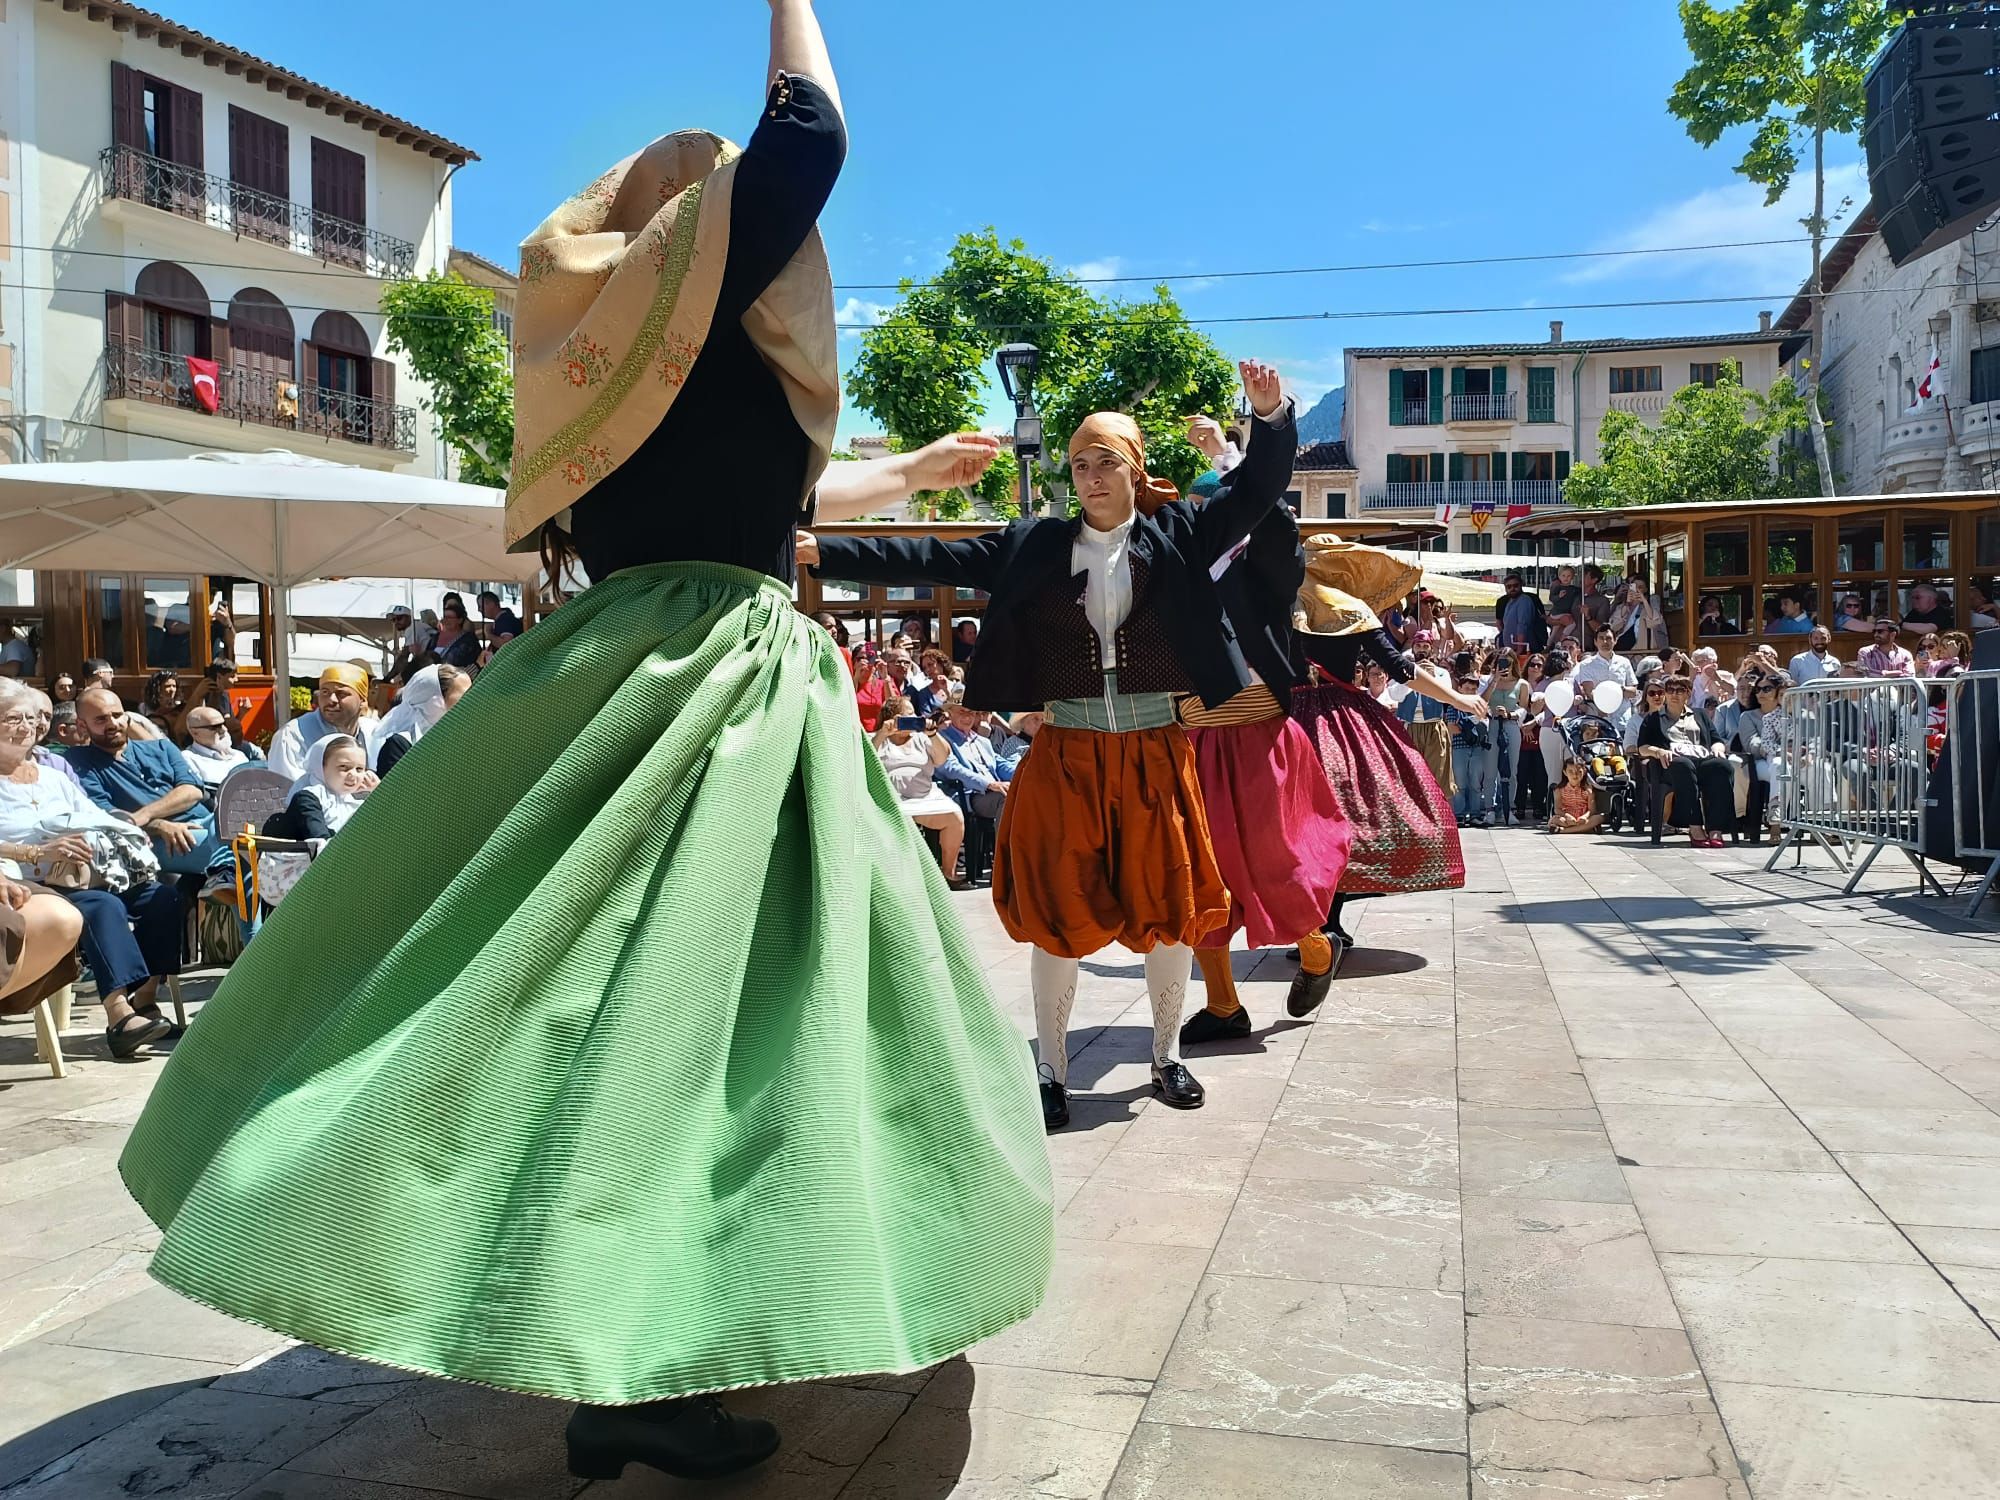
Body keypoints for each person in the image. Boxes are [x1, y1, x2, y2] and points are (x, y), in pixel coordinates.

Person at [121, 8, 1050, 1486]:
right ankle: (654, 1348)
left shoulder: (598, 382)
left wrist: (913, 473)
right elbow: (811, 137)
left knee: (572, 1011)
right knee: (718, 1025)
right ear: (694, 252)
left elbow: (759, 502)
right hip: (719, 691)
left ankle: (608, 1326)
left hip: (601, 669)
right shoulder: (700, 321)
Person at [806, 362, 1299, 1131]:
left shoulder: (1183, 533)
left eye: (1107, 460)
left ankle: (1167, 1057)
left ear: (1136, 470)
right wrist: (821, 552)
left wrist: (1269, 419)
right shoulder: (1035, 543)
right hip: (1066, 754)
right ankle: (1050, 1072)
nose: (1092, 475)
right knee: (1056, 914)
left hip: (1154, 750)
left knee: (1169, 911)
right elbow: (928, 556)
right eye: (1079, 463)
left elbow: (1258, 491)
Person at [1170, 423, 1351, 1038]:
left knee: (1273, 863)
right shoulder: (1174, 573)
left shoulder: (1263, 569)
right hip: (1192, 739)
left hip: (1257, 736)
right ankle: (1223, 1005)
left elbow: (1271, 516)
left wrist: (1227, 456)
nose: (1201, 519)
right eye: (1196, 510)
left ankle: (1316, 949)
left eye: (1211, 507)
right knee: (1199, 875)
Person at [1284, 540, 1488, 955]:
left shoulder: (1280, 606)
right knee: (1352, 819)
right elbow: (1402, 668)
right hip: (1344, 723)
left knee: (1299, 824)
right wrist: (1458, 698)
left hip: (1290, 724)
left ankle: (1318, 926)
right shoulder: (1352, 611)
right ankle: (1327, 924)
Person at [0, 682, 177, 1055]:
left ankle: (145, 998)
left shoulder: (53, 777)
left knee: (162, 897)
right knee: (102, 906)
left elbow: (93, 814)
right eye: (14, 719)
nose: (27, 727)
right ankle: (119, 1016)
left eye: (31, 719)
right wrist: (36, 850)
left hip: (86, 870)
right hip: (34, 882)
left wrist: (125, 831)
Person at [67, 687, 234, 880]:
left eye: (117, 715)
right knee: (239, 853)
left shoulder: (161, 747)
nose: (113, 723)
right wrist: (158, 825)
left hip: (206, 823)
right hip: (158, 838)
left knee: (239, 829)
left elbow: (192, 791)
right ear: (81, 726)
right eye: (101, 719)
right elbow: (106, 816)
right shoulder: (79, 762)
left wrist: (145, 815)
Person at [1636, 676, 1736, 847]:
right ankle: (1695, 826)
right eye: (1670, 690)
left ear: (1688, 694)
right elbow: (1642, 747)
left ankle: (1715, 829)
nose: (1674, 694)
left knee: (1722, 766)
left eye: (1680, 690)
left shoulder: (1700, 715)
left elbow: (1716, 739)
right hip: (1671, 764)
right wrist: (1658, 751)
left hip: (1701, 759)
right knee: (1683, 765)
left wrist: (1718, 748)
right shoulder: (1653, 719)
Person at [267, 665, 379, 780]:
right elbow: (289, 790)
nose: (331, 700)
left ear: (363, 701)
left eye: (341, 694)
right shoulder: (293, 736)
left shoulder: (374, 733)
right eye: (325, 692)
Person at [267, 734, 375, 842]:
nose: (353, 775)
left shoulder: (356, 801)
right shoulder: (307, 799)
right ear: (320, 766)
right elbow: (320, 843)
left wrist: (378, 791)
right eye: (344, 767)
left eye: (359, 769)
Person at [370, 665, 469, 776]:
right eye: (465, 696)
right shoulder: (399, 746)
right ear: (435, 701)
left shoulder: (463, 742)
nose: (470, 702)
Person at [1731, 672, 1789, 841]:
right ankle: (1775, 825)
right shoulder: (1748, 716)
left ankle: (1777, 821)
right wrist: (1779, 749)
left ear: (1779, 692)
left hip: (1788, 762)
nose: (1760, 693)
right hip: (1759, 763)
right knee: (1779, 768)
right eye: (1758, 690)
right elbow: (1752, 744)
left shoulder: (1790, 714)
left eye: (1766, 689)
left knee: (1782, 768)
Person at [1575, 626, 1640, 722]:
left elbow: (1633, 691)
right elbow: (1589, 691)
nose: (1605, 642)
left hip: (1622, 719)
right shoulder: (1586, 665)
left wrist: (1620, 689)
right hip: (1598, 719)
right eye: (1601, 638)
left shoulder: (1624, 662)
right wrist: (1604, 705)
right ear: (1595, 642)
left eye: (1609, 638)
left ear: (1615, 641)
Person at [181, 707, 256, 788]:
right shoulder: (188, 759)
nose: (224, 730)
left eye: (224, 724)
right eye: (216, 726)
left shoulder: (239, 756)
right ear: (194, 732)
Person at [1495, 572, 1549, 653]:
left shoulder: (1524, 600)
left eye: (1516, 585)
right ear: (1505, 588)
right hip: (1512, 649)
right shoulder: (1507, 601)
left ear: (1521, 585)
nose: (1512, 588)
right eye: (1509, 586)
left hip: (1524, 649)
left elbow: (1522, 625)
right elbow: (1500, 623)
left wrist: (1519, 649)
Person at [1610, 577, 1668, 652]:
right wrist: (1627, 604)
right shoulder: (1621, 607)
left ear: (1646, 589)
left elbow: (1653, 622)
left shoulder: (1651, 603)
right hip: (1624, 650)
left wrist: (1644, 601)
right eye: (1634, 587)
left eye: (1640, 587)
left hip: (1644, 649)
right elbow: (1614, 626)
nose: (1637, 590)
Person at [385, 607, 437, 684]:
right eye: (393, 619)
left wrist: (386, 679)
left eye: (399, 618)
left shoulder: (412, 628)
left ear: (409, 618)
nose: (396, 622)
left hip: (430, 665)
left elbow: (403, 658)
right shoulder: (419, 626)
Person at [1548, 760, 1601, 834]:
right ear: (1565, 772)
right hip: (1567, 819)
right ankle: (1586, 829)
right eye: (1570, 771)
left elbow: (1592, 809)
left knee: (1598, 818)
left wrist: (1584, 817)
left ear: (1584, 772)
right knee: (1555, 820)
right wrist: (1567, 816)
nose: (1575, 775)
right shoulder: (1559, 790)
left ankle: (1563, 830)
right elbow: (1557, 809)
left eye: (1579, 771)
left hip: (1583, 819)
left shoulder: (1588, 789)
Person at [429, 600, 483, 672]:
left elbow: (475, 662)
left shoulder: (468, 640)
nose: (446, 620)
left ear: (460, 620)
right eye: (445, 617)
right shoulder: (435, 638)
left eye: (450, 617)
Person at [850, 652, 890, 731]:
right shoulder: (848, 684)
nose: (865, 662)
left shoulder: (883, 683)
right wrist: (856, 678)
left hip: (878, 733)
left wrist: (885, 678)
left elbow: (893, 706)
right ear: (854, 664)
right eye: (860, 659)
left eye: (869, 658)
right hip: (856, 732)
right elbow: (848, 703)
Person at [1546, 565, 1582, 646]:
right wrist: (1558, 596)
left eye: (1569, 576)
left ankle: (1549, 645)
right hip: (1558, 611)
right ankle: (1563, 637)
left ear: (1572, 577)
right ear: (1559, 576)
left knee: (1555, 631)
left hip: (1564, 612)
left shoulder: (1574, 589)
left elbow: (1580, 592)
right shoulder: (1557, 588)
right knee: (1572, 624)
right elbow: (1551, 598)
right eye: (1563, 576)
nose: (1566, 578)